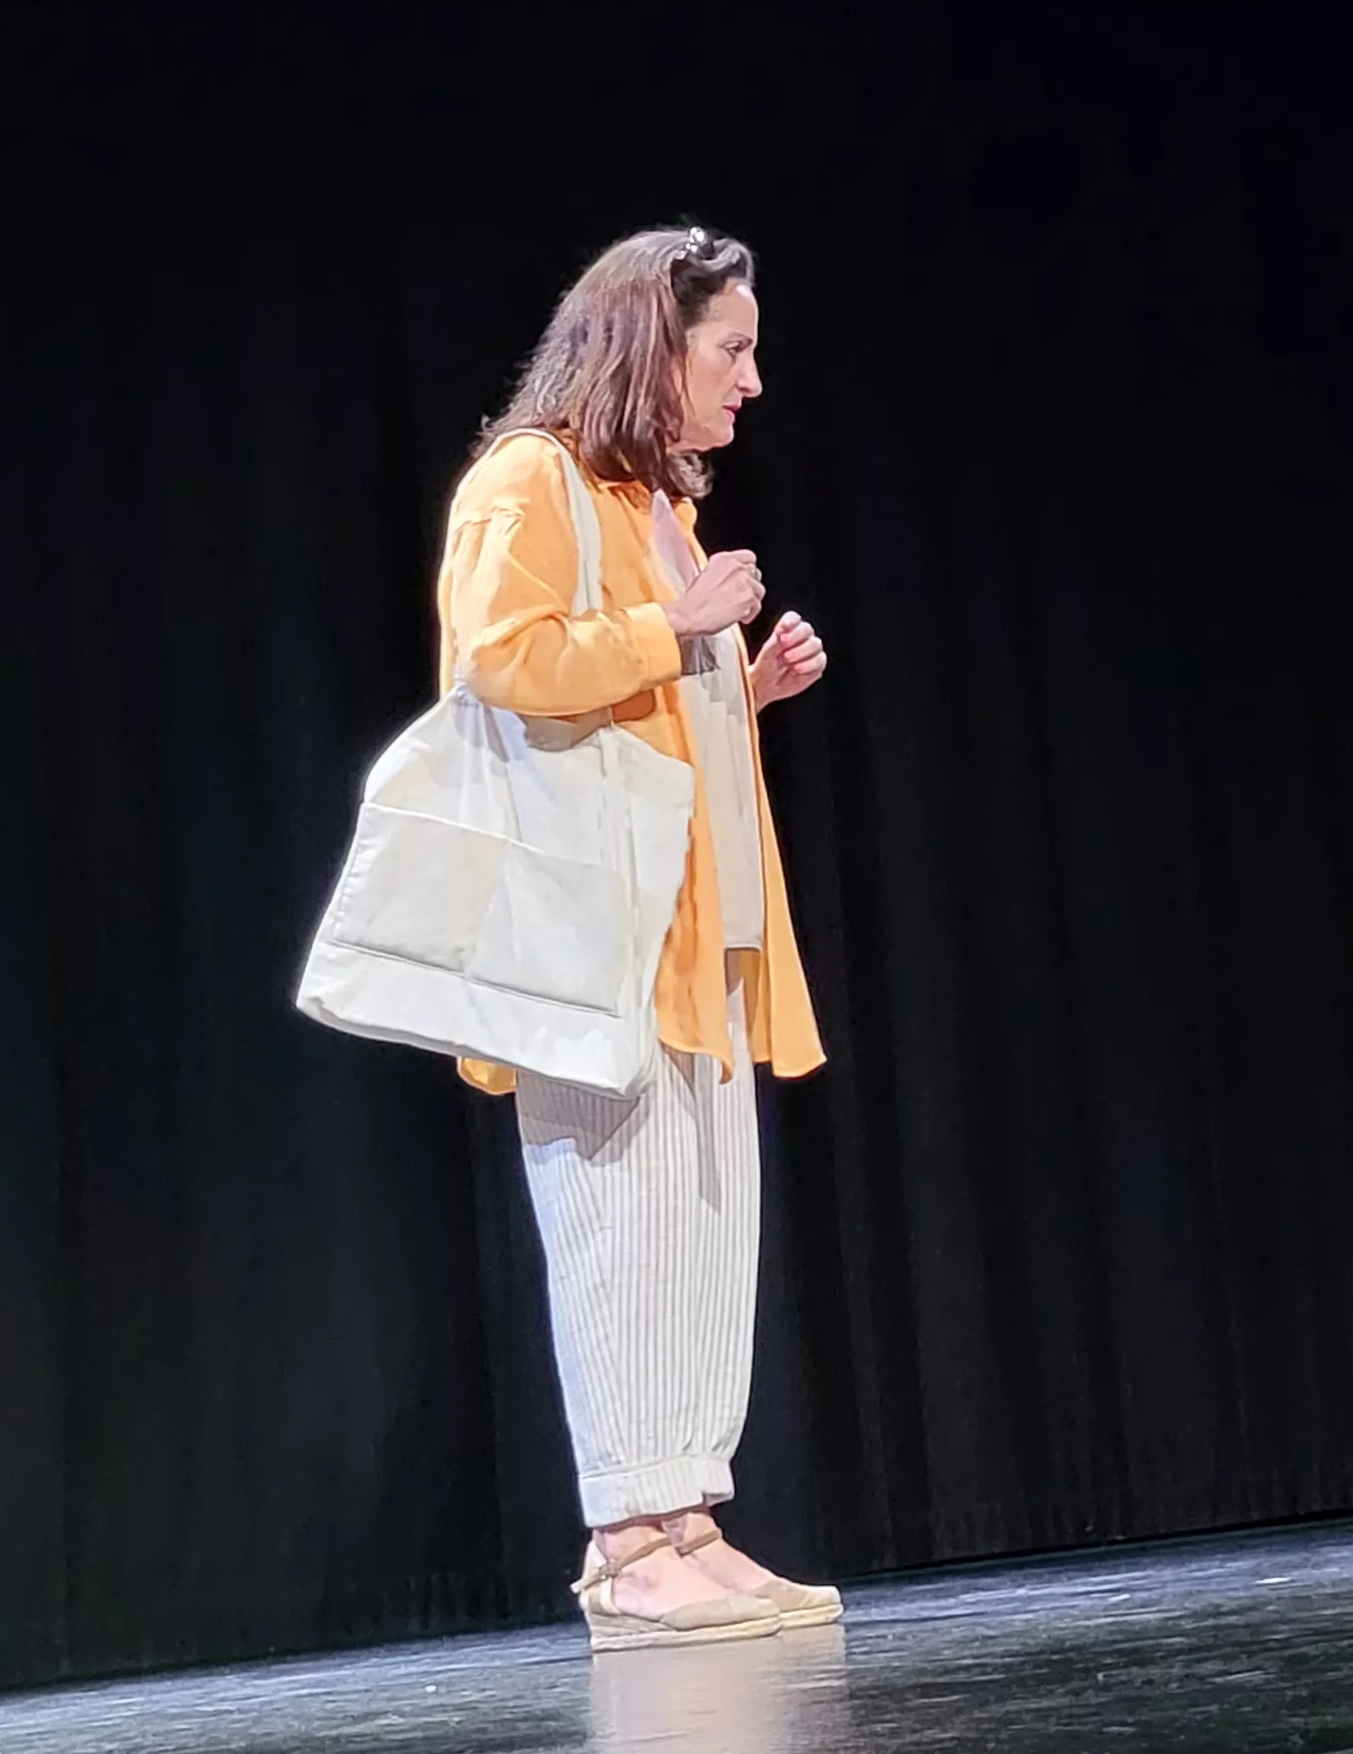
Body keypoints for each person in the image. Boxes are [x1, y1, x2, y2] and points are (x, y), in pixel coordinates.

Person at [432, 226, 842, 1649]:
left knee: (698, 1227)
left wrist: (749, 684)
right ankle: (623, 1536)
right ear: (649, 346)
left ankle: (685, 1516)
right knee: (619, 1224)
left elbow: (635, 699)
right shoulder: (529, 478)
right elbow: (504, 661)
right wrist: (681, 628)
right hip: (597, 936)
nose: (752, 379)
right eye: (730, 349)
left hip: (700, 929)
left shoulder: (653, 498)